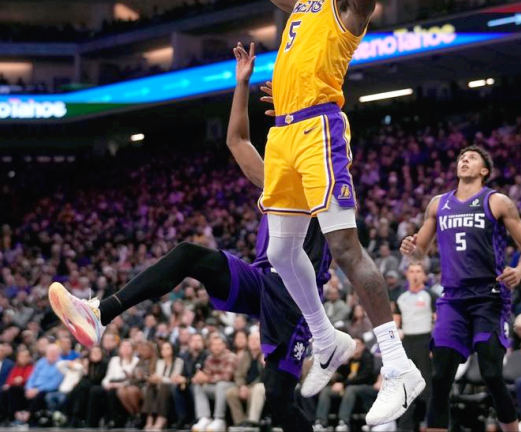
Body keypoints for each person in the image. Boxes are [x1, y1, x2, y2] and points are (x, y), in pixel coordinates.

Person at [48, 43, 327, 432]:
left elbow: (317, 140)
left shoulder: (322, 186)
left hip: (297, 296)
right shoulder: (274, 183)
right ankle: (100, 314)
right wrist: (241, 85)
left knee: (278, 395)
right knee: (188, 254)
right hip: (262, 279)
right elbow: (237, 141)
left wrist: (297, 110)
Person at [243, 0, 423, 424]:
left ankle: (399, 368)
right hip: (282, 135)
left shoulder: (354, 6)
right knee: (280, 253)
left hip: (319, 130)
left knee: (344, 247)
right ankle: (326, 340)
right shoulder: (303, 1)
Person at [401, 145, 521, 432]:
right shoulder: (438, 204)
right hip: (452, 299)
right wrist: (411, 250)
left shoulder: (497, 201)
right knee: (440, 378)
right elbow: (419, 253)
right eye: (461, 157)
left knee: (491, 374)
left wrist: (520, 270)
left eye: (472, 158)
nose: (464, 160)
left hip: (489, 296)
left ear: (484, 170)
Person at [393, 262, 435, 432]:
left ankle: (431, 424)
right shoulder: (401, 297)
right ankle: (405, 427)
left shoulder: (430, 295)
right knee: (406, 385)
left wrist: (434, 345)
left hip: (425, 341)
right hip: (407, 343)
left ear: (424, 275)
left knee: (427, 386)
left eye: (418, 271)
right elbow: (396, 322)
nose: (415, 274)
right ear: (407, 275)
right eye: (412, 271)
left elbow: (438, 321)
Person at [314, 338, 377, 432]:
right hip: (347, 387)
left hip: (364, 387)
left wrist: (343, 384)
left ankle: (343, 422)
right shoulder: (350, 358)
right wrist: (344, 363)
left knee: (350, 389)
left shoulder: (367, 357)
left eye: (357, 344)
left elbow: (364, 377)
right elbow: (341, 375)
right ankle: (321, 423)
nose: (355, 347)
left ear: (363, 346)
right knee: (326, 391)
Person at [191, 333, 236, 432]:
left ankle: (219, 419)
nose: (216, 347)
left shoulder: (230, 356)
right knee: (198, 386)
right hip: (216, 387)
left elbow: (226, 377)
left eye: (219, 344)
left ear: (224, 345)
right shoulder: (209, 358)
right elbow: (206, 374)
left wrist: (206, 378)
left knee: (221, 384)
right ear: (210, 347)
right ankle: (204, 418)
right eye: (214, 345)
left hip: (231, 386)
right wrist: (199, 378)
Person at [145, 340, 183, 432]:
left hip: (172, 387)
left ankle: (161, 418)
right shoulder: (160, 362)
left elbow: (174, 379)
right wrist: (154, 379)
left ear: (173, 350)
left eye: (167, 348)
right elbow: (158, 377)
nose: (165, 351)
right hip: (160, 385)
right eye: (163, 349)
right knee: (150, 387)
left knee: (164, 387)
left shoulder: (178, 362)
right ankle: (150, 418)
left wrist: (160, 379)